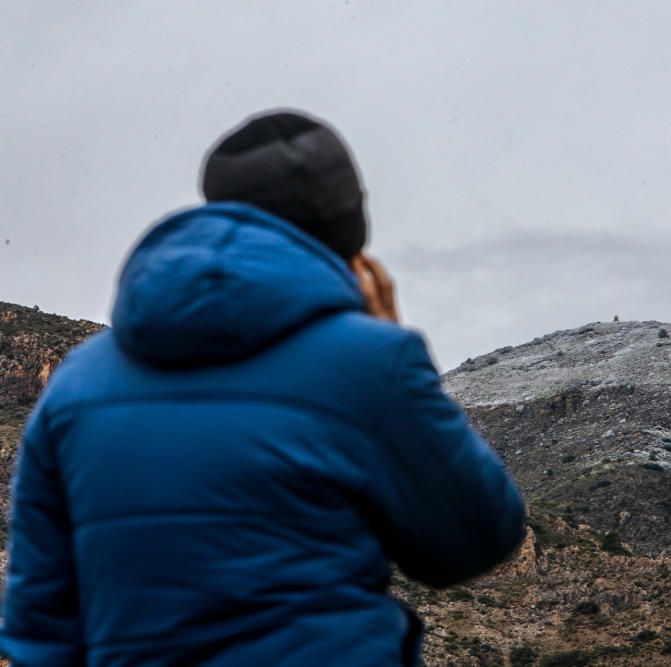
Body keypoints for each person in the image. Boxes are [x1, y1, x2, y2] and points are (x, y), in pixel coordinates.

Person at [1, 110, 526, 666]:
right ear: (348, 228)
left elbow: (40, 628)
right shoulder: (370, 360)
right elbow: (472, 542)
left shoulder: (77, 382)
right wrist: (392, 355)